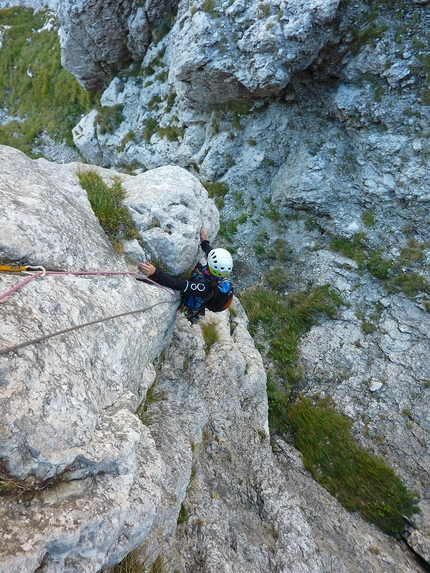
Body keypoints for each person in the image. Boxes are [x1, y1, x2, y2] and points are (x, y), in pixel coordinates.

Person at [138, 229, 233, 323]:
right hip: (204, 292)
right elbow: (211, 254)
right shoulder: (220, 272)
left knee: (185, 294)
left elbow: (178, 284)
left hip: (196, 294)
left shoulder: (203, 287)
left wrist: (155, 272)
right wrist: (204, 241)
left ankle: (186, 307)